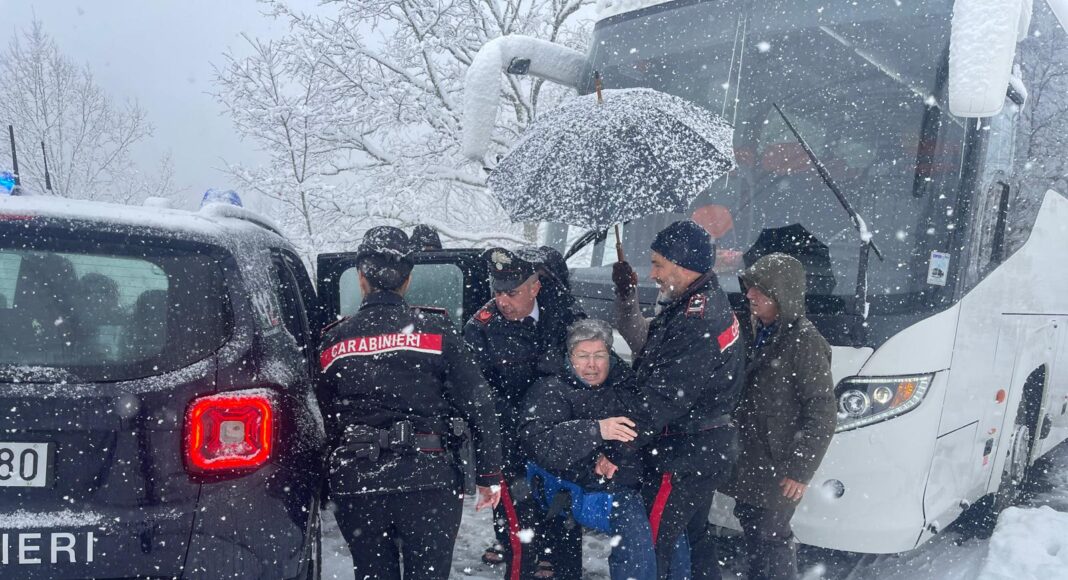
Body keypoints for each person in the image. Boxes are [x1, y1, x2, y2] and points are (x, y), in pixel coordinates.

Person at [318, 226, 504, 580]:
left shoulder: (333, 342)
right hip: (429, 480)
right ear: (408, 279)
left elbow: (324, 418)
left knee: (372, 573)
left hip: (359, 483)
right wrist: (488, 474)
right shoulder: (438, 333)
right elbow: (479, 404)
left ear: (360, 278)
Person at [594, 220, 745, 580]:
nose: (653, 273)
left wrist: (615, 449)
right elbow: (648, 347)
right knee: (693, 539)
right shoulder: (698, 302)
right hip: (704, 449)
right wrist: (626, 294)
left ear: (683, 264)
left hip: (682, 454)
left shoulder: (697, 320)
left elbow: (662, 399)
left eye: (658, 264)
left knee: (648, 546)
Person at [464, 246, 584, 579]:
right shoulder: (481, 328)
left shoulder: (565, 315)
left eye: (512, 292)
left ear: (535, 287)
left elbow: (592, 375)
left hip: (561, 442)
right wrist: (528, 423)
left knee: (566, 534)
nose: (503, 301)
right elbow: (480, 397)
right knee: (520, 538)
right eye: (497, 291)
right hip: (512, 443)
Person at [721, 253, 836, 580]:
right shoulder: (759, 328)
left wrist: (800, 470)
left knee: (772, 537)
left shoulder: (804, 341)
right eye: (750, 287)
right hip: (752, 459)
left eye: (760, 290)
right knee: (754, 530)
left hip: (780, 464)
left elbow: (823, 411)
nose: (749, 295)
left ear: (781, 294)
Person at [519, 318, 656, 580]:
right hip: (564, 482)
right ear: (570, 357)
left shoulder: (625, 384)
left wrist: (613, 456)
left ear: (610, 356)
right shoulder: (550, 388)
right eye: (583, 356)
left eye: (599, 355)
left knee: (666, 518)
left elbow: (643, 426)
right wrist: (596, 432)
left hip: (618, 477)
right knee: (631, 517)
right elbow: (541, 445)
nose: (591, 365)